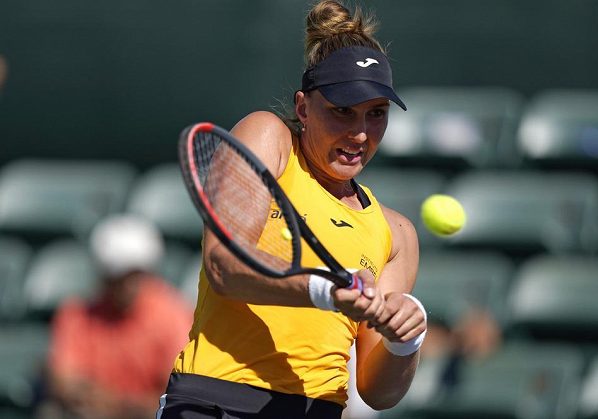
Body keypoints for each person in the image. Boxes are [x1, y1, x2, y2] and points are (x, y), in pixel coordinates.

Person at [158, 1, 427, 418]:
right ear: (303, 108)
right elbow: (224, 266)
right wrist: (324, 290)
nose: (359, 133)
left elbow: (378, 393)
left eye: (376, 114)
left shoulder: (397, 234)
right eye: (342, 111)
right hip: (216, 400)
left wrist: (404, 340)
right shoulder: (269, 137)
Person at [39, 214, 193, 419]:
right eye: (116, 277)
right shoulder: (77, 314)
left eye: (133, 274)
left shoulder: (173, 315)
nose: (126, 286)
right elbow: (63, 380)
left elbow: (177, 397)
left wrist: (115, 406)